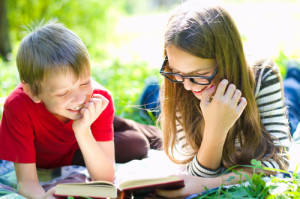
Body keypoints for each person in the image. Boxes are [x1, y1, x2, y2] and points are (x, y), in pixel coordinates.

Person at [0, 21, 161, 199]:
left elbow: (106, 179)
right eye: (63, 92)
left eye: (84, 82)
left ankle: (137, 117)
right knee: (137, 145)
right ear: (34, 92)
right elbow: (27, 182)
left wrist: (83, 131)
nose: (79, 97)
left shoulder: (94, 97)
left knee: (154, 139)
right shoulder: (17, 106)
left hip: (89, 119)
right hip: (67, 150)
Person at [154, 1, 291, 197]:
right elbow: (193, 172)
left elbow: (279, 164)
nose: (187, 85)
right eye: (176, 72)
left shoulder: (263, 75)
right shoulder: (178, 86)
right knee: (152, 93)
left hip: (258, 96)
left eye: (199, 74)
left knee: (294, 94)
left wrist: (206, 184)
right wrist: (215, 131)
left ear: (227, 61)